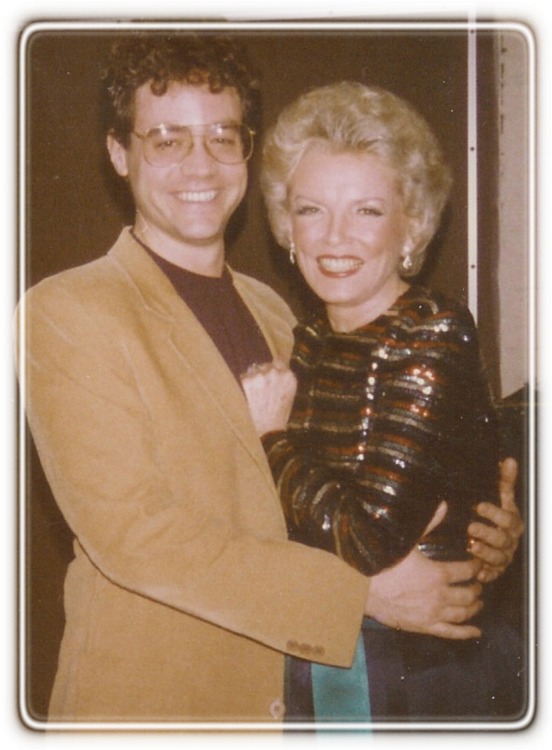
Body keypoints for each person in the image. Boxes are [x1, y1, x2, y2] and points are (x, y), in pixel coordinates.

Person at [17, 35, 522, 724]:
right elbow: (136, 534)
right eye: (167, 140)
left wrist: (475, 532)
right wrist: (363, 595)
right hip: (159, 707)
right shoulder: (68, 310)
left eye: (222, 137)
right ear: (118, 153)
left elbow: (342, 488)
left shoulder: (285, 315)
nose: (200, 164)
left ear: (247, 153)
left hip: (297, 706)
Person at [240, 81, 525, 721]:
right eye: (311, 210)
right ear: (287, 225)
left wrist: (272, 437)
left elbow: (364, 540)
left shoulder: (430, 331)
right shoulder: (310, 338)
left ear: (412, 225)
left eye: (367, 211)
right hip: (334, 651)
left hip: (419, 676)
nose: (334, 236)